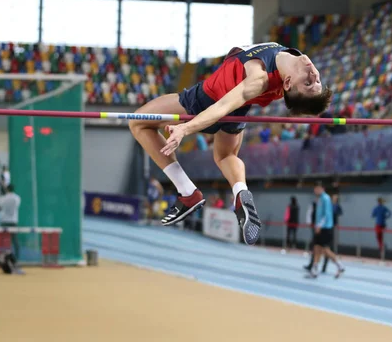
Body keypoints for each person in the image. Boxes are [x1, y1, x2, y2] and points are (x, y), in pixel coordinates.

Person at [129, 42, 331, 245]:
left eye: (308, 84)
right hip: (238, 112)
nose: (314, 76)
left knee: (138, 122)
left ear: (287, 83)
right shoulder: (288, 59)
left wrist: (185, 128)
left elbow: (223, 106)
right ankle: (240, 191)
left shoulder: (258, 78)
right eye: (317, 81)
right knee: (226, 156)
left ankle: (187, 191)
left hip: (205, 102)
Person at [307, 182, 345, 279]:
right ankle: (314, 270)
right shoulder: (319, 199)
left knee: (325, 250)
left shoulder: (326, 198)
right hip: (320, 227)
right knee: (316, 248)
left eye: (316, 188)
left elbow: (327, 214)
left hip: (325, 228)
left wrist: (319, 226)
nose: (315, 190)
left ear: (321, 188)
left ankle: (340, 265)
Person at [0, 184, 21, 260]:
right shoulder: (17, 198)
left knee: (2, 241)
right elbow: (16, 206)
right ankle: (16, 258)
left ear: (7, 190)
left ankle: (0, 258)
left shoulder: (2, 198)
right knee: (15, 241)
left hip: (4, 221)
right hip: (13, 221)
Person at [321, 194, 343, 273]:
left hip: (332, 227)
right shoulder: (329, 206)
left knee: (327, 247)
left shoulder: (337, 206)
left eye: (335, 198)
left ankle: (336, 264)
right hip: (326, 227)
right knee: (324, 248)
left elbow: (340, 213)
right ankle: (323, 266)